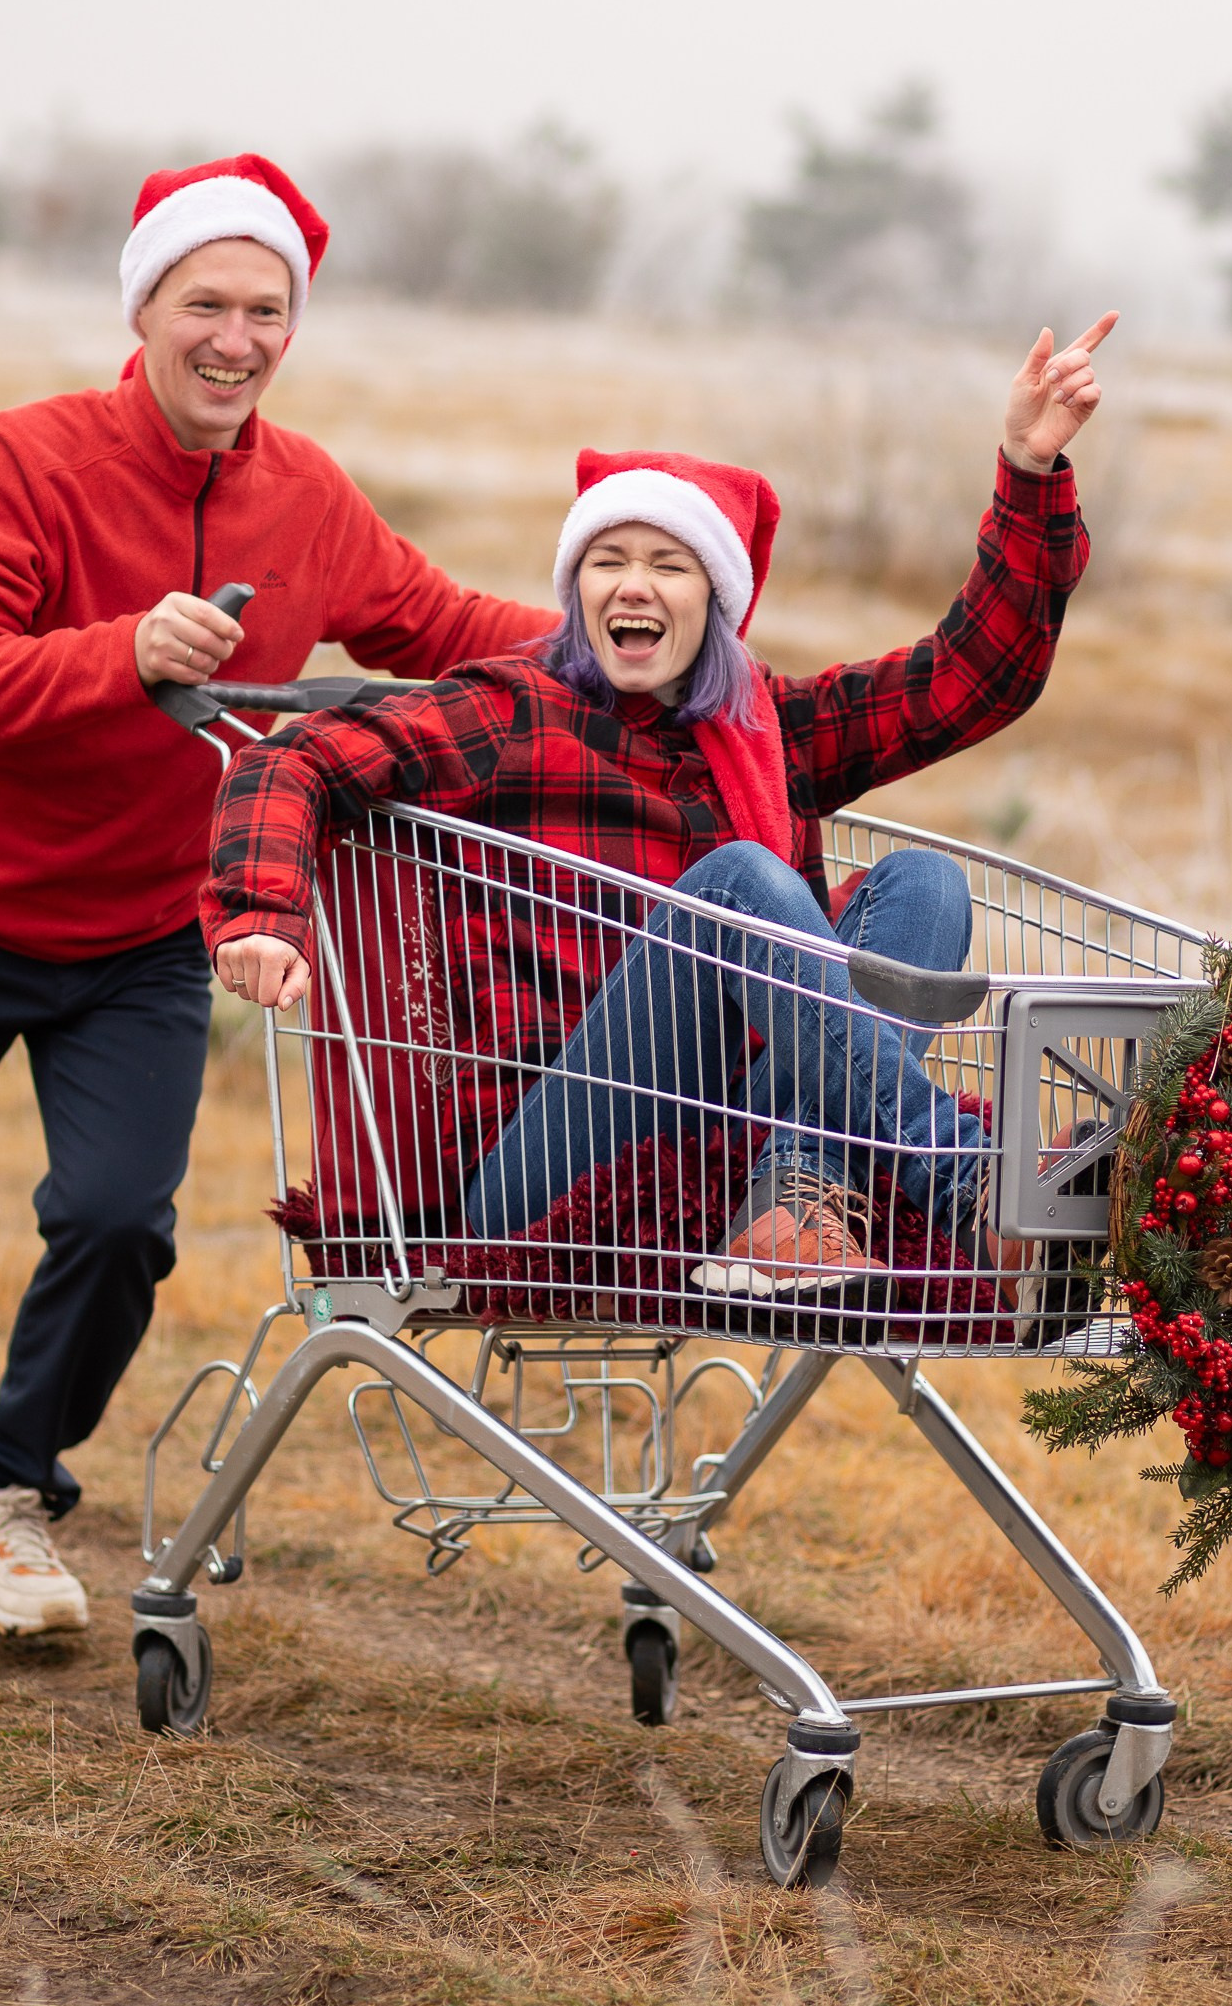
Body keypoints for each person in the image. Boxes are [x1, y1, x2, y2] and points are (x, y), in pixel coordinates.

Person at [0, 155, 555, 1633]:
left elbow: (439, 620)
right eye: (206, 303)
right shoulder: (20, 461)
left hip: (146, 937)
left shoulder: (304, 496)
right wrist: (122, 652)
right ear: (145, 305)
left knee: (117, 1221)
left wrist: (631, 634)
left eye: (267, 311)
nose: (237, 337)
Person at [205, 314, 1115, 1289]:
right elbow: (296, 760)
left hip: (729, 1125)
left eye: (667, 565)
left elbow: (974, 678)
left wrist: (1026, 468)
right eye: (608, 561)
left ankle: (793, 1198)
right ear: (577, 588)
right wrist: (263, 915)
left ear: (714, 601)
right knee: (736, 882)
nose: (632, 584)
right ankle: (971, 1184)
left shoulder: (770, 727)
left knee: (923, 885)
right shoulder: (512, 710)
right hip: (548, 1164)